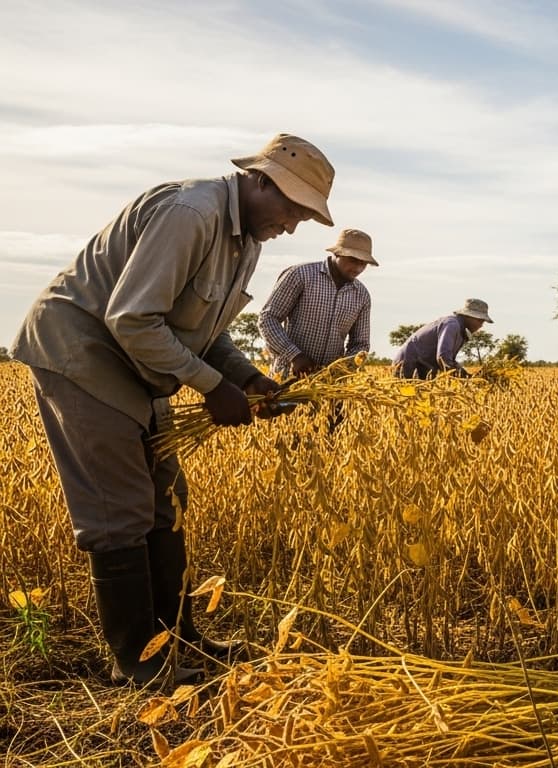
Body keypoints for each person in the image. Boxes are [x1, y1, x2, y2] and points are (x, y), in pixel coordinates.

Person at [11, 133, 336, 685]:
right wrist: (212, 387)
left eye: (304, 217)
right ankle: (139, 661)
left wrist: (249, 379)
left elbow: (205, 330)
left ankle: (179, 636)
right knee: (121, 510)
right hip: (84, 355)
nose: (292, 225)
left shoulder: (246, 239)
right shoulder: (192, 211)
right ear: (260, 181)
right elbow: (133, 318)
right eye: (293, 209)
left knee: (168, 500)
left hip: (138, 368)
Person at [258, 227, 376, 379]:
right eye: (353, 260)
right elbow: (268, 318)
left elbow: (360, 344)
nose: (358, 268)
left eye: (363, 263)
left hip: (328, 386)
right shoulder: (301, 275)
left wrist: (341, 371)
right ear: (337, 253)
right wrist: (295, 356)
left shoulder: (362, 295)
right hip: (286, 376)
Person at [392, 299, 493, 379]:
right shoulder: (452, 325)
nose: (481, 325)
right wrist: (465, 378)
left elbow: (450, 360)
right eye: (480, 320)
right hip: (409, 364)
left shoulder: (461, 331)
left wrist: (467, 375)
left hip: (423, 367)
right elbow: (443, 357)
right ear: (469, 316)